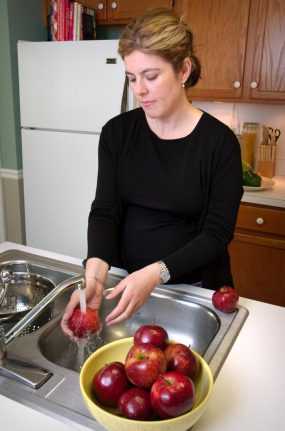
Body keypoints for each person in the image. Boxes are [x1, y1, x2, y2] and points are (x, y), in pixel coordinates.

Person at [61, 8, 243, 338]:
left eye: (151, 76)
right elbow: (105, 212)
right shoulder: (117, 134)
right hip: (125, 284)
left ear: (184, 69)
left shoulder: (220, 144)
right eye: (131, 78)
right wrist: (95, 278)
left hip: (194, 291)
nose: (139, 90)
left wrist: (156, 273)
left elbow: (216, 234)